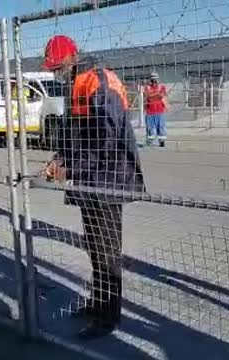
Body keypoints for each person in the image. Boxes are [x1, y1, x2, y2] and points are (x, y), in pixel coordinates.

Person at [41, 35, 145, 339]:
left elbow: (107, 141)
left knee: (108, 251)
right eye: (54, 67)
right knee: (95, 247)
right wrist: (60, 159)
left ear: (72, 58)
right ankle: (98, 304)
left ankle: (108, 317)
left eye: (59, 65)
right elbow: (75, 133)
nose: (56, 71)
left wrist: (69, 167)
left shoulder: (99, 81)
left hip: (110, 178)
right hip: (91, 178)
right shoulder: (77, 83)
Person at [143, 72, 168, 147]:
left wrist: (153, 95)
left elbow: (162, 95)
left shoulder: (162, 87)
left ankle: (161, 141)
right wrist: (156, 94)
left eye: (155, 80)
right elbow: (147, 96)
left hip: (159, 111)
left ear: (157, 79)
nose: (154, 82)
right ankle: (149, 141)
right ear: (150, 80)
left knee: (160, 127)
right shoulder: (147, 87)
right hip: (149, 111)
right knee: (149, 127)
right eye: (152, 80)